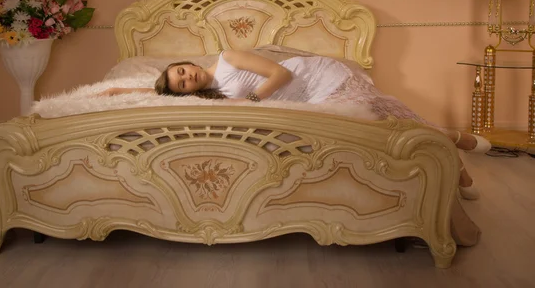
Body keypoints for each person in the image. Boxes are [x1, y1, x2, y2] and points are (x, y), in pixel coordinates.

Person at [100, 50, 491, 200]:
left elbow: (280, 72)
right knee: (388, 115)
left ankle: (454, 151)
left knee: (374, 123)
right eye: (181, 83)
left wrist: (253, 101)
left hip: (317, 79)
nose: (188, 78)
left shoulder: (228, 58)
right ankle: (455, 150)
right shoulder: (208, 95)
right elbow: (156, 92)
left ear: (188, 62)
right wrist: (120, 89)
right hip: (310, 102)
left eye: (183, 71)